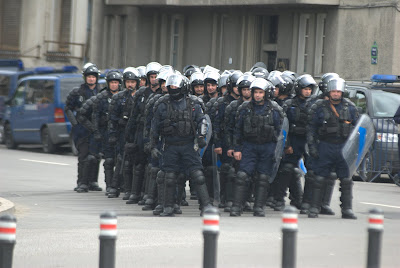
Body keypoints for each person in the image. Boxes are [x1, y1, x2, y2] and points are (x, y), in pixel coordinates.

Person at [151, 73, 213, 216]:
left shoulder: (194, 103)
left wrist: (201, 136)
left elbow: (202, 121)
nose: (173, 88)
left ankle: (206, 206)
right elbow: (154, 126)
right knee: (170, 176)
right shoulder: (162, 104)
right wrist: (153, 145)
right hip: (170, 145)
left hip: (189, 145)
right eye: (171, 86)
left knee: (198, 175)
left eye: (176, 86)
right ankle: (168, 206)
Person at [231, 78, 285, 217]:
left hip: (267, 147)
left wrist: (277, 150)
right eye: (255, 92)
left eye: (260, 92)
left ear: (266, 93)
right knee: (242, 176)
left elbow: (281, 132)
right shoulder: (244, 108)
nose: (257, 95)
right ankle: (237, 206)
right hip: (249, 146)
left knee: (263, 177)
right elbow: (237, 130)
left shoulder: (275, 109)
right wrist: (237, 148)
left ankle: (259, 207)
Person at [307, 77, 359, 219]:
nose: (336, 94)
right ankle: (314, 207)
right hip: (325, 145)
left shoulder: (350, 107)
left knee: (346, 180)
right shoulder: (318, 107)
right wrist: (312, 147)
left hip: (343, 147)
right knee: (319, 179)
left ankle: (347, 209)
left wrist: (355, 150)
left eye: (338, 91)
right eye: (333, 91)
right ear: (329, 92)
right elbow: (311, 128)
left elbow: (357, 129)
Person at [273, 74, 315, 211]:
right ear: (298, 89)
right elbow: (283, 126)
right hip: (293, 140)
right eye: (305, 89)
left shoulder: (314, 105)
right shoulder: (288, 104)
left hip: (308, 140)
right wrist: (287, 144)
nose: (307, 91)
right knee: (287, 169)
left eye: (309, 89)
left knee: (312, 171)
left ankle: (306, 202)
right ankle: (279, 199)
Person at [125, 62, 162, 204]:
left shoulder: (163, 94)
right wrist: (129, 136)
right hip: (141, 132)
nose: (154, 79)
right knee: (139, 163)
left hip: (155, 132)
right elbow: (133, 116)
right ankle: (135, 193)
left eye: (156, 77)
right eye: (151, 77)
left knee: (151, 165)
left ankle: (149, 194)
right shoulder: (141, 93)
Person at [65, 63, 102, 192]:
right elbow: (68, 108)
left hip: (96, 129)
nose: (91, 79)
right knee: (84, 156)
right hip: (82, 130)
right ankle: (82, 182)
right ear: (85, 77)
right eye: (89, 76)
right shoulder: (77, 92)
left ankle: (93, 181)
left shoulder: (101, 91)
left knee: (95, 156)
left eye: (93, 76)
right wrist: (75, 123)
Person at [107, 67, 140, 198]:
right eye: (127, 82)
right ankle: (115, 187)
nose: (130, 84)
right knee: (121, 160)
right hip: (122, 134)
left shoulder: (141, 96)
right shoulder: (119, 98)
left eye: (132, 82)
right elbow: (112, 118)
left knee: (135, 163)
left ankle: (132, 189)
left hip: (136, 134)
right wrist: (113, 134)